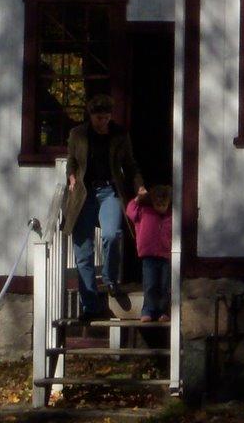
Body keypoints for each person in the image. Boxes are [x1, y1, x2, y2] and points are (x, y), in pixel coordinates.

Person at [64, 95, 143, 321]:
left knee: (111, 234)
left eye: (107, 118)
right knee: (83, 251)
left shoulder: (119, 134)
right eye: (99, 118)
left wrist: (139, 186)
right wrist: (70, 176)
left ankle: (110, 280)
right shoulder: (77, 134)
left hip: (109, 191)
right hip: (84, 194)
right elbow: (72, 160)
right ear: (91, 117)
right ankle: (90, 305)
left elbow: (130, 164)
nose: (103, 122)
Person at [127, 184, 174, 322]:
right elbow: (130, 210)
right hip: (149, 255)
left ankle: (162, 311)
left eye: (164, 204)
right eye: (158, 203)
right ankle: (148, 310)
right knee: (150, 284)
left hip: (165, 255)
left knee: (164, 285)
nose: (161, 206)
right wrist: (138, 198)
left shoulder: (171, 215)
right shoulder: (144, 211)